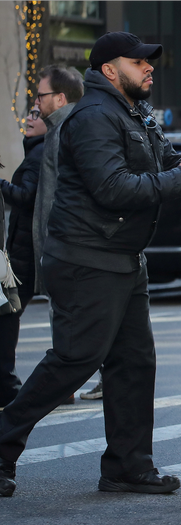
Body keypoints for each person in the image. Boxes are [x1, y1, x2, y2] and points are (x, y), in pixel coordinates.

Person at [0, 31, 181, 497]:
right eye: (138, 62)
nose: (149, 68)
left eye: (149, 62)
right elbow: (114, 188)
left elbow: (171, 164)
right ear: (108, 70)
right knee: (74, 361)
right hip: (86, 257)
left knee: (134, 363)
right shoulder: (95, 116)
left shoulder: (135, 114)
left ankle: (127, 466)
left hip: (120, 256)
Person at [33, 65, 85, 405]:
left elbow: (56, 197)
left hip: (65, 251)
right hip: (65, 249)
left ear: (60, 97)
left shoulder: (66, 129)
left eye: (41, 95)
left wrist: (51, 249)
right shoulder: (59, 129)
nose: (36, 103)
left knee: (70, 331)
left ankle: (54, 391)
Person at [0, 107, 46, 411]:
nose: (28, 118)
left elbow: (27, 197)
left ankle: (9, 388)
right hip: (23, 250)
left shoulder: (40, 153)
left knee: (7, 317)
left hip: (25, 253)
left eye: (36, 112)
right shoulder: (39, 151)